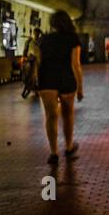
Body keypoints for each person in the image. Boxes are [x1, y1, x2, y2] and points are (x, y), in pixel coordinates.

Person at [36, 10, 83, 164]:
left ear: (53, 24)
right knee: (67, 115)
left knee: (51, 116)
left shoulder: (44, 39)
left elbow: (40, 62)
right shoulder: (72, 39)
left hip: (47, 80)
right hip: (66, 79)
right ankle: (69, 148)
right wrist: (80, 88)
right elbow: (76, 65)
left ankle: (54, 152)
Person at [21, 28, 42, 98]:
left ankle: (35, 90)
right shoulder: (30, 42)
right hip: (31, 60)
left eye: (38, 33)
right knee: (31, 76)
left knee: (36, 77)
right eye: (35, 33)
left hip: (39, 60)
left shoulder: (41, 41)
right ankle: (28, 90)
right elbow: (25, 51)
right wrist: (24, 58)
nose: (36, 34)